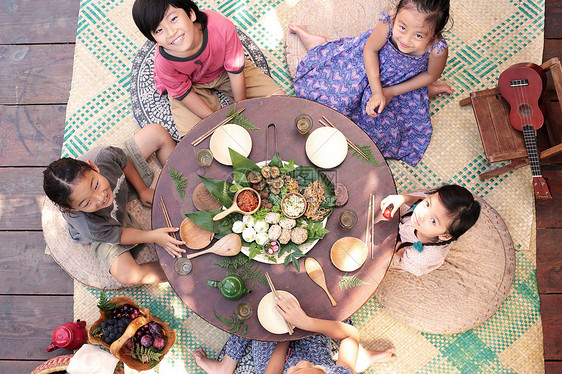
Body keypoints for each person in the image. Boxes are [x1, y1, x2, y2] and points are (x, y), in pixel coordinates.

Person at [291, 0, 453, 166]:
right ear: (396, 15)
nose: (406, 39)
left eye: (418, 35)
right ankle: (317, 44)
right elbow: (370, 50)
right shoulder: (388, 22)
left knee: (379, 133)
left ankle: (423, 92)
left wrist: (390, 92)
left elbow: (430, 74)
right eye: (402, 28)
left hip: (400, 84)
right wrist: (377, 91)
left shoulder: (438, 49)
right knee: (332, 99)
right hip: (367, 66)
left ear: (434, 34)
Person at [43, 124, 185, 285]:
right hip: (107, 225)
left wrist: (142, 189)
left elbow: (123, 161)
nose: (100, 197)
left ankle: (184, 182)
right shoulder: (88, 226)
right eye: (86, 202)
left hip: (119, 184)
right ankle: (180, 267)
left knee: (155, 132)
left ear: (94, 167)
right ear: (73, 209)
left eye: (95, 185)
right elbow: (119, 235)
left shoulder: (103, 156)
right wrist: (153, 236)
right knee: (128, 275)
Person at [132, 0, 286, 138]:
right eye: (159, 30)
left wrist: (241, 106)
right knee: (194, 139)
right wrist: (217, 122)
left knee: (281, 101)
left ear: (190, 13)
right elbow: (182, 92)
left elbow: (235, 68)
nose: (171, 33)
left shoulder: (221, 28)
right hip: (192, 85)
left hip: (225, 70)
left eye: (173, 19)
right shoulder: (163, 62)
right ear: (153, 39)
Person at [193, 295, 396, 374]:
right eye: (304, 369)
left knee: (252, 319)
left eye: (294, 372)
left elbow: (273, 370)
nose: (298, 364)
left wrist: (285, 337)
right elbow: (350, 335)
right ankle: (363, 359)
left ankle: (225, 366)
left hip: (271, 364)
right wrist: (305, 323)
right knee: (329, 313)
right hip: (317, 352)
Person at [380, 184, 481, 276]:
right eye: (428, 204)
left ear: (444, 235)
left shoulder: (423, 257)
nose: (422, 213)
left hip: (404, 249)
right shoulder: (428, 211)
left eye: (433, 221)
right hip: (407, 229)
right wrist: (404, 198)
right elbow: (420, 200)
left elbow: (402, 253)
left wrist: (392, 241)